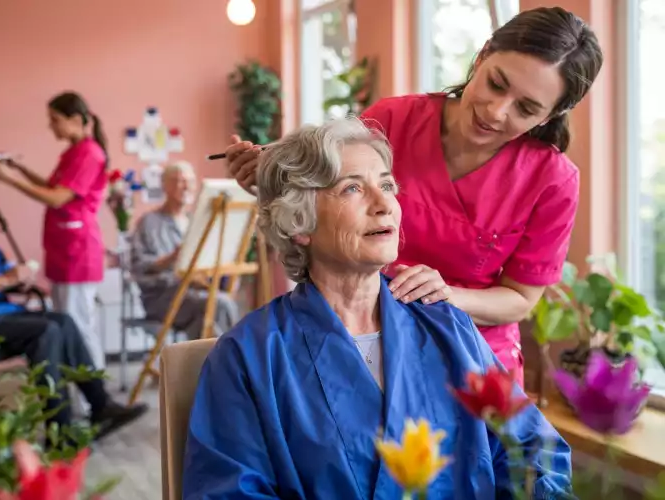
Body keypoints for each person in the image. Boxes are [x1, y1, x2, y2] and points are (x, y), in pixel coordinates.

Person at [184, 118, 572, 499]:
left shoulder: (446, 324)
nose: (384, 204)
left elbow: (534, 452)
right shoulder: (250, 355)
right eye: (353, 188)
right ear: (299, 223)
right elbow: (227, 492)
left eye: (387, 185)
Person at [224, 6, 604, 387]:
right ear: (483, 55)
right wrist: (271, 180)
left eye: (525, 108)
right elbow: (323, 198)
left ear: (549, 115)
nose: (496, 111)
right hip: (365, 339)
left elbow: (520, 299)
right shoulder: (393, 120)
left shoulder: (553, 181)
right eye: (496, 83)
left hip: (475, 360)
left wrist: (447, 296)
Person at [0, 162, 148, 439]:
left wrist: (21, 278)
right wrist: (7, 279)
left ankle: (100, 406)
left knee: (63, 321)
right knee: (45, 330)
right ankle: (60, 431)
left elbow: (3, 272)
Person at [0, 91, 108, 371]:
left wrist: (10, 180)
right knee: (66, 322)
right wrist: (20, 169)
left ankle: (94, 390)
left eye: (55, 120)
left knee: (78, 326)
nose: (51, 126)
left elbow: (56, 198)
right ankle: (78, 390)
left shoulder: (89, 154)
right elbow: (52, 186)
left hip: (77, 253)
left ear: (75, 119)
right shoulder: (73, 152)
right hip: (63, 250)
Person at [130, 161, 239, 339]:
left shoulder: (195, 221)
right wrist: (171, 258)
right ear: (164, 185)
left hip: (194, 294)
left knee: (208, 317)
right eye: (179, 181)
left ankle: (207, 355)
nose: (186, 186)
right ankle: (225, 355)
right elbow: (138, 268)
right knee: (220, 304)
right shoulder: (149, 222)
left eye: (190, 181)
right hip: (162, 297)